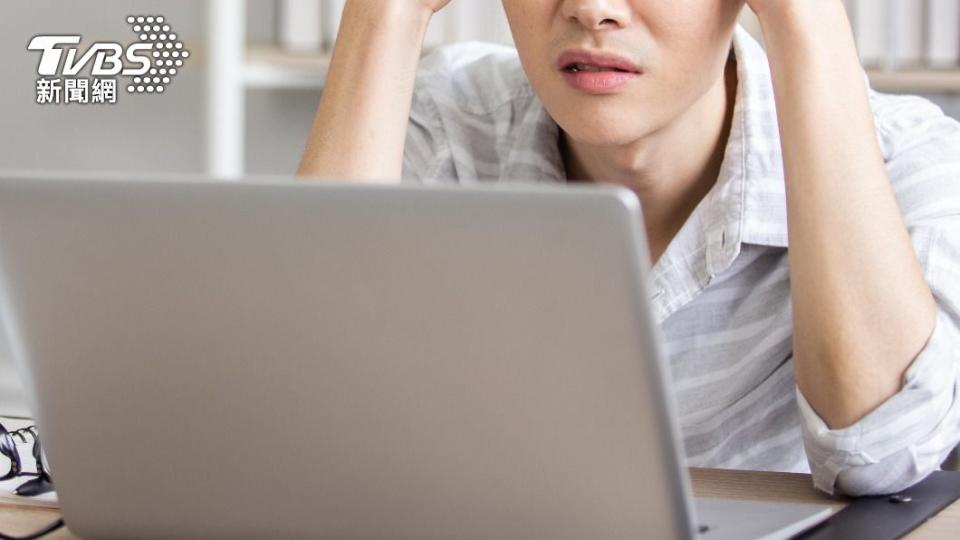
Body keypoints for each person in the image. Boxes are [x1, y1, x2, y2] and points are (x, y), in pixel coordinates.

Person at [296, 0, 960, 496]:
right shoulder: (443, 126)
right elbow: (290, 419)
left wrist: (805, 23)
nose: (592, 8)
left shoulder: (904, 161)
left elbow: (881, 454)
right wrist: (384, 16)